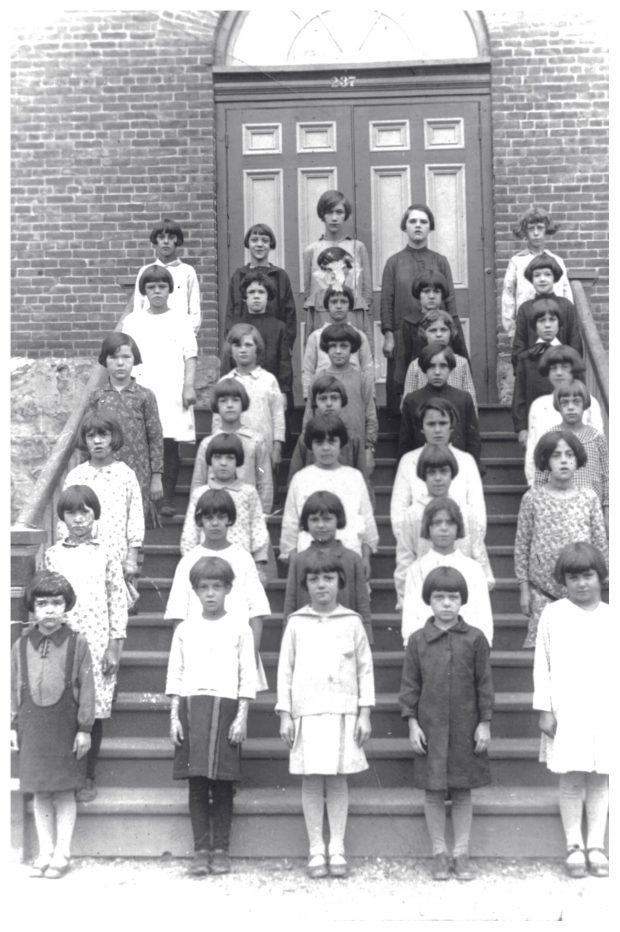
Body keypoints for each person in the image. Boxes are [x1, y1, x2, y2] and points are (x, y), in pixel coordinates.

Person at [276, 550, 374, 878]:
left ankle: (338, 848)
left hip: (343, 711)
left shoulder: (352, 622)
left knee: (337, 778)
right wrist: (285, 714)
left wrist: (364, 713)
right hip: (307, 712)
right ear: (305, 584)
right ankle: (316, 848)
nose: (321, 586)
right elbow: (284, 671)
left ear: (340, 582)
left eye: (328, 579)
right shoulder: (296, 623)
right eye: (314, 579)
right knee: (311, 778)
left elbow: (365, 670)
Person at [399, 566, 493, 881]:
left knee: (463, 789)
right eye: (439, 597)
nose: (447, 604)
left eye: (453, 597)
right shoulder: (418, 641)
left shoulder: (476, 639)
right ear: (429, 600)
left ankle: (461, 852)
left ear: (462, 600)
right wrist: (412, 723)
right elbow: (410, 686)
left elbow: (484, 685)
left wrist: (485, 723)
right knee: (433, 790)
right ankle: (439, 852)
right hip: (431, 727)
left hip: (467, 727)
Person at [166, 556, 256, 875]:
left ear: (228, 589)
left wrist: (241, 717)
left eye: (217, 587)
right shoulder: (185, 630)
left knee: (221, 785)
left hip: (226, 709)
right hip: (193, 709)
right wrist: (175, 717)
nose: (210, 594)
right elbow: (175, 674)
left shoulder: (240, 628)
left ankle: (221, 848)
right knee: (197, 782)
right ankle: (200, 849)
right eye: (203, 587)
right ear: (194, 591)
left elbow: (248, 675)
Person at [43, 486, 128, 803]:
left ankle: (88, 775)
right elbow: (47, 600)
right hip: (64, 644)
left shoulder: (106, 554)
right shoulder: (53, 555)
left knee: (93, 709)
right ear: (62, 517)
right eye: (71, 513)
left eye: (85, 512)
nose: (78, 519)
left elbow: (117, 602)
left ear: (95, 515)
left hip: (97, 644)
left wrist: (114, 648)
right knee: (65, 707)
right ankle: (67, 774)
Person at [11, 571, 95, 879]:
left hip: (65, 726)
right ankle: (44, 851)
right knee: (40, 791)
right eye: (42, 603)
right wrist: (11, 723)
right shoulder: (20, 645)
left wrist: (85, 728)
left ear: (66, 606)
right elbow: (11, 686)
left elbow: (88, 687)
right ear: (32, 607)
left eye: (56, 603)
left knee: (63, 790)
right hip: (32, 726)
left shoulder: (77, 643)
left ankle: (63, 852)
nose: (49, 610)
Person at [533, 543, 609, 879]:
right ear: (563, 580)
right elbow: (542, 665)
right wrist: (545, 708)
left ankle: (596, 844)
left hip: (605, 708)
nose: (581, 583)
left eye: (588, 575)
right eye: (573, 577)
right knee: (571, 776)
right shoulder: (554, 614)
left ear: (600, 576)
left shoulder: (611, 615)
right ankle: (574, 845)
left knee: (600, 777)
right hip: (567, 707)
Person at [166, 488, 270, 690]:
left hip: (235, 651)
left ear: (229, 519)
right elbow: (178, 614)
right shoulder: (188, 561)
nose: (215, 523)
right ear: (200, 521)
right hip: (199, 652)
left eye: (221, 517)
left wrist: (251, 655)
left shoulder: (243, 558)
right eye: (209, 517)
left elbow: (257, 612)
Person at [514, 431, 608, 648]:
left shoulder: (589, 497)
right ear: (546, 460)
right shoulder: (532, 498)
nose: (564, 460)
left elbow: (600, 547)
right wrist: (524, 589)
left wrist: (598, 588)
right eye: (556, 455)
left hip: (581, 591)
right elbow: (522, 546)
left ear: (577, 459)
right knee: (546, 656)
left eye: (569, 455)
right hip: (542, 592)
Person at [123, 264, 198, 517]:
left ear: (170, 290)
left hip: (171, 387)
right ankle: (142, 499)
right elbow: (127, 357)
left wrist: (188, 386)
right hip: (144, 385)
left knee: (167, 442)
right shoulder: (133, 321)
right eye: (151, 287)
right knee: (142, 442)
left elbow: (190, 355)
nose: (157, 291)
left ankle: (166, 498)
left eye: (162, 287)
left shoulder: (180, 319)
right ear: (143, 291)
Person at [380, 204, 466, 410]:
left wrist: (453, 331)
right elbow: (386, 301)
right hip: (404, 334)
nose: (418, 226)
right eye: (413, 221)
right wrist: (389, 335)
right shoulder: (394, 262)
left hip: (437, 332)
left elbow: (450, 300)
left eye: (423, 222)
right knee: (405, 379)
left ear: (430, 227)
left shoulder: (440, 261)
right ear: (405, 226)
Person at [279, 414, 379, 578]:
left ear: (341, 443)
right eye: (319, 442)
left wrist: (366, 557)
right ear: (310, 445)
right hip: (311, 562)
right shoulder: (300, 479)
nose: (326, 448)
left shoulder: (354, 477)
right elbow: (290, 525)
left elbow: (367, 520)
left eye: (332, 441)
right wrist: (296, 562)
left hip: (349, 555)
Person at [60, 413, 144, 598]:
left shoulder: (126, 475)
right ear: (85, 440)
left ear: (113, 438)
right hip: (81, 555)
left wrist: (132, 557)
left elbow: (135, 517)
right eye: (91, 436)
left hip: (115, 554)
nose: (97, 441)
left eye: (103, 435)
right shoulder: (77, 476)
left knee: (114, 607)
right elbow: (64, 518)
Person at [393, 450, 493, 604]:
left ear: (452, 474)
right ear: (423, 476)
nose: (438, 478)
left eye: (443, 472)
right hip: (424, 597)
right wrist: (406, 598)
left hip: (462, 599)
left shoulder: (465, 511)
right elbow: (405, 559)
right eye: (431, 473)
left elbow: (479, 556)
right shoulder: (413, 514)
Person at [90, 332, 164, 524]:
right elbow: (89, 436)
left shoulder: (145, 396)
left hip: (139, 473)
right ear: (105, 361)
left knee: (136, 525)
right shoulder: (98, 397)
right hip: (105, 472)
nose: (120, 363)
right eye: (114, 357)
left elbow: (155, 437)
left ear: (134, 360)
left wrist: (156, 477)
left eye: (126, 357)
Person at [390, 398, 486, 546]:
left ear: (451, 427)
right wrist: (413, 545)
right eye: (431, 424)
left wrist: (462, 547)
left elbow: (478, 512)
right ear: (422, 427)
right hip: (420, 546)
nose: (437, 430)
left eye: (443, 423)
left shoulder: (466, 461)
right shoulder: (408, 461)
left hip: (460, 547)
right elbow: (399, 511)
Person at [398, 498, 493, 646]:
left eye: (450, 523)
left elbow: (482, 616)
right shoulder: (416, 569)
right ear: (427, 527)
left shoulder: (473, 569)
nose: (444, 528)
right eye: (437, 523)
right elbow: (411, 614)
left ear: (458, 527)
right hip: (427, 647)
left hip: (465, 646)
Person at [283, 490, 372, 644]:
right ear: (306, 522)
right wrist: (287, 640)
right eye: (314, 520)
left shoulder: (352, 559)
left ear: (338, 520)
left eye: (327, 519)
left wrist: (366, 640)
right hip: (308, 638)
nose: (321, 525)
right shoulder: (299, 561)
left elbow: (363, 604)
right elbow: (290, 603)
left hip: (345, 639)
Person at [180, 434, 270, 579]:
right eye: (217, 457)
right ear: (210, 460)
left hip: (241, 566)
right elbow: (190, 532)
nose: (223, 463)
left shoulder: (248, 493)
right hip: (207, 567)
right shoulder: (200, 494)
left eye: (230, 458)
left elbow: (258, 529)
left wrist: (259, 565)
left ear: (238, 461)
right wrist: (191, 563)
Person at [191, 378, 273, 514]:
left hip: (247, 513)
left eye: (235, 400)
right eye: (223, 401)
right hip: (215, 515)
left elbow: (263, 477)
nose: (229, 405)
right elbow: (198, 481)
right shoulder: (207, 444)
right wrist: (198, 512)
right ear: (216, 405)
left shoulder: (255, 442)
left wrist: (263, 512)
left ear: (243, 403)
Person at [523, 346, 603, 486]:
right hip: (550, 486)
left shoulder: (589, 403)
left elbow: (599, 448)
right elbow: (533, 448)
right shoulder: (539, 406)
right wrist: (533, 483)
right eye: (553, 368)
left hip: (584, 484)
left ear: (574, 370)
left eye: (564, 367)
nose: (559, 373)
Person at [305, 323, 378, 472]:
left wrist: (369, 449)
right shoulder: (317, 378)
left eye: (344, 346)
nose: (338, 351)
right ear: (326, 348)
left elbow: (370, 416)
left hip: (354, 450)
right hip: (323, 448)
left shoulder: (362, 379)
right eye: (333, 346)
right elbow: (308, 417)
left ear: (352, 348)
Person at [303, 190, 373, 343]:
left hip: (353, 316)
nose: (334, 218)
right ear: (322, 214)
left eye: (339, 212)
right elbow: (308, 292)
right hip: (321, 316)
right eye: (329, 212)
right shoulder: (312, 250)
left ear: (345, 215)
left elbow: (367, 292)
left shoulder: (358, 247)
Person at [533, 381, 608, 524]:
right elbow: (540, 479)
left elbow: (607, 477)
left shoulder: (596, 437)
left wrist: (608, 513)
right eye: (565, 403)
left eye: (576, 402)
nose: (571, 407)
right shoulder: (550, 437)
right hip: (558, 512)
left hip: (591, 513)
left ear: (584, 403)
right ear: (558, 406)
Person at [211, 323, 285, 467]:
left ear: (257, 348)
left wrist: (277, 448)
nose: (243, 350)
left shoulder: (269, 380)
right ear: (230, 350)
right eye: (237, 345)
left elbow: (278, 416)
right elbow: (217, 421)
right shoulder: (225, 382)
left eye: (248, 345)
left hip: (263, 455)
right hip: (232, 456)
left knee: (264, 484)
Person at [398, 344, 482, 471]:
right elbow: (405, 442)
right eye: (431, 366)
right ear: (424, 368)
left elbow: (473, 440)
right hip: (422, 467)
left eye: (443, 366)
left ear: (451, 368)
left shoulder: (463, 399)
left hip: (457, 467)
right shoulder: (412, 400)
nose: (437, 372)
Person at [289, 374, 371, 493]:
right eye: (322, 399)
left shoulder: (353, 439)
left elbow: (363, 481)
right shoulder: (305, 438)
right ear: (315, 402)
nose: (329, 404)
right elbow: (294, 480)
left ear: (342, 401)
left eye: (334, 398)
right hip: (312, 501)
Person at [221, 270, 293, 404]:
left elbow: (284, 362)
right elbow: (228, 362)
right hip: (241, 391)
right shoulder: (236, 327)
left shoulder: (279, 327)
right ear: (244, 297)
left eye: (261, 292)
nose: (256, 296)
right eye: (251, 292)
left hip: (270, 390)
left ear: (268, 296)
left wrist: (283, 391)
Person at [501, 206, 572, 337]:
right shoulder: (517, 261)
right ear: (525, 232)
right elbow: (508, 295)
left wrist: (566, 325)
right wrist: (511, 330)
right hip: (526, 326)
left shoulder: (557, 261)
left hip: (554, 325)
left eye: (540, 228)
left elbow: (567, 295)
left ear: (546, 229)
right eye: (531, 229)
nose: (535, 233)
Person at [225, 222, 297, 352]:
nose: (259, 244)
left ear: (270, 245)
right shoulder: (238, 276)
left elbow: (289, 314)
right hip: (244, 345)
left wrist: (286, 346)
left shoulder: (280, 276)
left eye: (264, 240)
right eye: (254, 240)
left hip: (274, 344)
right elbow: (231, 313)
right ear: (248, 244)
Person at [302, 286, 374, 399]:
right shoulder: (316, 337)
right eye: (334, 302)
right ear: (327, 305)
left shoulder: (359, 335)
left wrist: (371, 396)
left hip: (353, 393)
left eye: (344, 302)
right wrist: (308, 396)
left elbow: (367, 368)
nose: (339, 306)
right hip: (324, 395)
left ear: (350, 305)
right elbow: (308, 370)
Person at [510, 254, 582, 367]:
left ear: (555, 277)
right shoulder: (525, 309)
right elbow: (518, 352)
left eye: (547, 274)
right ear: (531, 279)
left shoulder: (566, 306)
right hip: (533, 372)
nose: (542, 279)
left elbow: (575, 344)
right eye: (537, 275)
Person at [132, 218, 201, 334]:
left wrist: (188, 336)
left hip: (179, 335)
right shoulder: (145, 271)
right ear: (155, 242)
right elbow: (138, 307)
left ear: (177, 241)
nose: (165, 241)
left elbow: (195, 311)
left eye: (171, 237)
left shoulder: (187, 271)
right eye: (161, 237)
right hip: (150, 333)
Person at [402, 305, 476, 409]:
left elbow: (471, 399)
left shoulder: (461, 363)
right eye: (433, 331)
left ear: (451, 333)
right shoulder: (415, 365)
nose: (439, 335)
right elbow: (407, 402)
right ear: (424, 334)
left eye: (444, 330)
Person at [512, 298, 564, 439]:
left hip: (564, 423)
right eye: (542, 321)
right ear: (534, 326)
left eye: (552, 320)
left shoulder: (569, 356)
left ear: (559, 324)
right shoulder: (526, 358)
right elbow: (519, 395)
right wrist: (522, 428)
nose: (547, 325)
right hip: (536, 425)